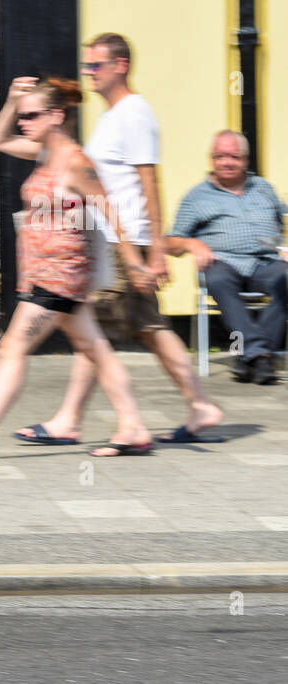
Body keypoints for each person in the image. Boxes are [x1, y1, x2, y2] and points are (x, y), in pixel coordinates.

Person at [0, 77, 154, 459]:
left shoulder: (75, 162)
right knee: (93, 346)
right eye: (22, 116)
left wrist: (135, 264)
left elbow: (110, 212)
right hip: (43, 270)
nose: (23, 122)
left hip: (61, 273)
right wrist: (11, 101)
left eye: (31, 115)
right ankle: (132, 426)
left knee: (12, 345)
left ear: (56, 116)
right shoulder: (43, 152)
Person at [15, 33, 223, 446]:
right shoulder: (113, 116)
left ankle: (76, 420)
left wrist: (154, 253)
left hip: (121, 240)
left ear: (120, 66)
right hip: (117, 240)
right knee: (145, 327)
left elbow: (150, 182)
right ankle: (200, 405)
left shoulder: (134, 114)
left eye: (96, 66)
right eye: (87, 66)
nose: (89, 73)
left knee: (91, 329)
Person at [167, 130, 287, 385]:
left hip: (265, 262)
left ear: (246, 159)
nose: (227, 162)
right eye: (220, 156)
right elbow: (170, 242)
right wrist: (191, 243)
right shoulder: (197, 196)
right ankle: (260, 354)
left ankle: (250, 356)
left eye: (234, 156)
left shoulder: (263, 188)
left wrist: (285, 246)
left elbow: (282, 223)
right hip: (223, 262)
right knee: (218, 279)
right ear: (211, 160)